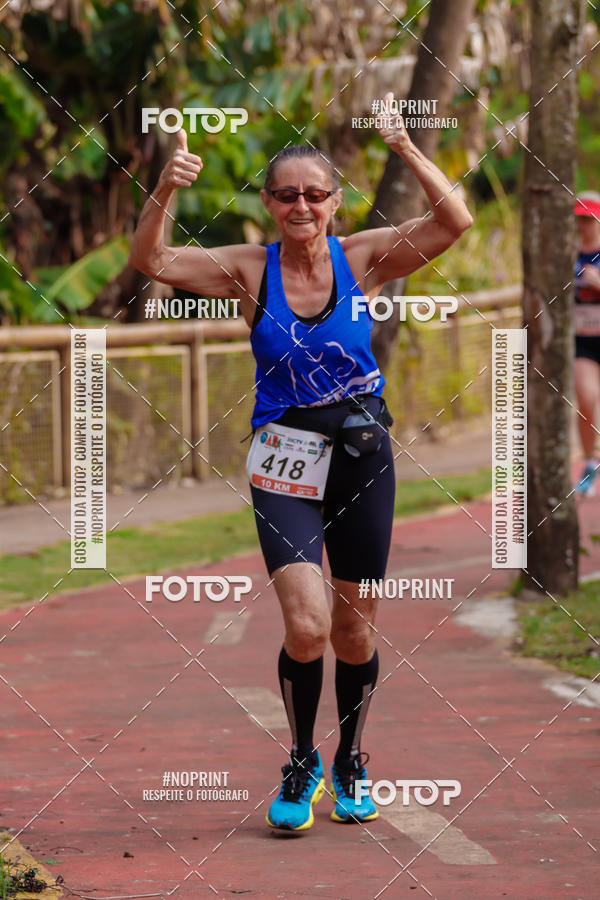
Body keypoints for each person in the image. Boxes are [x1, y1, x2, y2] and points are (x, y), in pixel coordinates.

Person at [128, 93, 473, 831]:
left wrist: (405, 146)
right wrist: (167, 186)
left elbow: (456, 221)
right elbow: (151, 259)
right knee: (307, 623)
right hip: (282, 456)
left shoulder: (366, 258)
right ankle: (300, 758)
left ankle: (351, 757)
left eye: (315, 195)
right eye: (286, 195)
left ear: (334, 201)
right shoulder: (250, 271)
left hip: (360, 456)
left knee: (354, 628)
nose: (301, 206)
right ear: (268, 202)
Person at [573, 191, 600, 496]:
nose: (585, 224)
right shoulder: (569, 254)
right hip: (583, 340)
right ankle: (589, 462)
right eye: (580, 218)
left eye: (590, 218)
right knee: (586, 399)